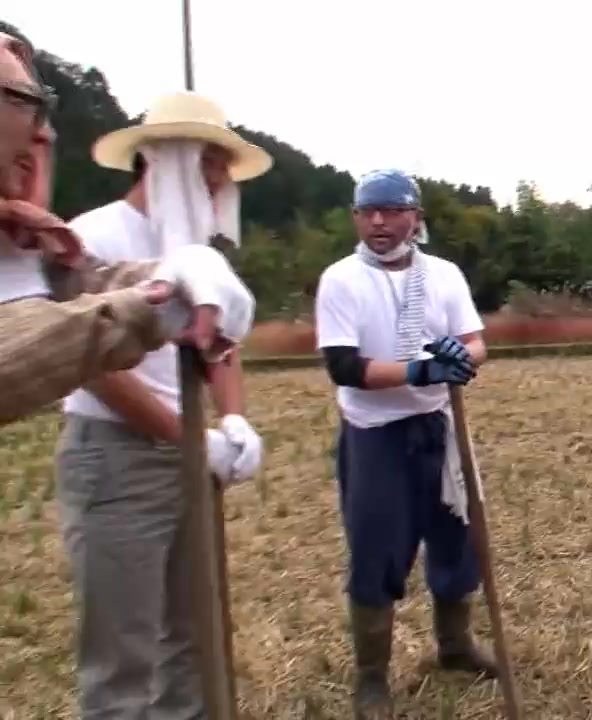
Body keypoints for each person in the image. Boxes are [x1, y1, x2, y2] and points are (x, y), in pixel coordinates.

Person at [54, 89, 272, 719]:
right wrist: (188, 437)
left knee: (194, 636)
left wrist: (233, 419)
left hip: (189, 455)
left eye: (224, 168)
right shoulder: (92, 239)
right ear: (164, 159)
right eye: (208, 164)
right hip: (118, 460)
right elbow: (95, 369)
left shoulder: (202, 256)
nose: (219, 180)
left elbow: (220, 345)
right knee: (124, 652)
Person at [0, 29, 254, 426]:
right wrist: (154, 305)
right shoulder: (97, 230)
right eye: (18, 101)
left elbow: (82, 284)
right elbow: (45, 338)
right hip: (120, 436)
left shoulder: (41, 243)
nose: (43, 137)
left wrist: (233, 420)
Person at [314, 169, 496, 718]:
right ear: (356, 217)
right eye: (367, 211)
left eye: (392, 211)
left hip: (439, 426)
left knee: (456, 536)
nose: (378, 222)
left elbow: (474, 341)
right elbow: (343, 366)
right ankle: (372, 676)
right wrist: (418, 370)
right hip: (375, 435)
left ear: (415, 218)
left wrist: (463, 360)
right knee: (377, 548)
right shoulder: (341, 279)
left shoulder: (443, 275)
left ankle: (456, 647)